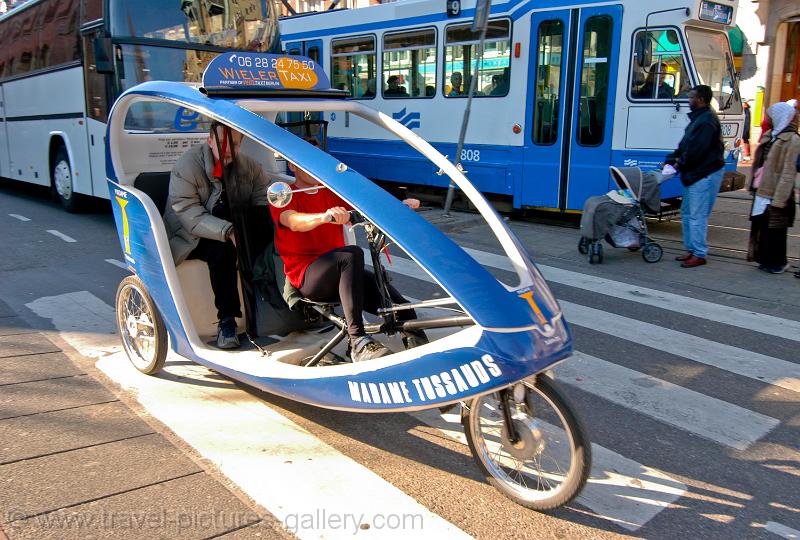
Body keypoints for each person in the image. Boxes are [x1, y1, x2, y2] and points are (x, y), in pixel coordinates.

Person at [271, 138, 426, 362]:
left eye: (317, 159)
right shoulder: (284, 197)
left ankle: (422, 359)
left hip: (344, 275)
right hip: (308, 278)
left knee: (401, 308)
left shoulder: (329, 191)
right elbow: (293, 221)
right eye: (306, 160)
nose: (314, 165)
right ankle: (358, 342)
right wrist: (324, 217)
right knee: (351, 254)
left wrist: (398, 203)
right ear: (292, 165)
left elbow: (367, 200)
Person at [164, 122, 270, 349]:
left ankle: (274, 311)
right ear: (210, 141)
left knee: (271, 242)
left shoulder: (249, 167)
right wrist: (228, 231)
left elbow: (263, 197)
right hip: (189, 235)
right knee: (222, 251)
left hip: (232, 227)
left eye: (234, 144)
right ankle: (227, 321)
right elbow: (186, 211)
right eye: (222, 143)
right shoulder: (188, 165)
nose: (228, 150)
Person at [665, 85, 726, 268]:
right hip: (697, 173)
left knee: (697, 215)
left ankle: (699, 253)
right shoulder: (699, 119)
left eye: (691, 97)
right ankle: (691, 249)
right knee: (687, 212)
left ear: (700, 100)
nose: (688, 101)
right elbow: (685, 144)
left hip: (704, 173)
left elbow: (696, 150)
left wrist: (678, 163)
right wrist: (671, 158)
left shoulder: (706, 121)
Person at [747, 101, 800, 274]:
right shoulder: (771, 135)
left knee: (776, 231)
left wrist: (780, 198)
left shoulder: (792, 139)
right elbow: (759, 162)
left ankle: (778, 262)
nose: (767, 119)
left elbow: (788, 172)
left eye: (770, 116)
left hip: (777, 191)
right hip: (762, 189)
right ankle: (764, 259)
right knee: (762, 226)